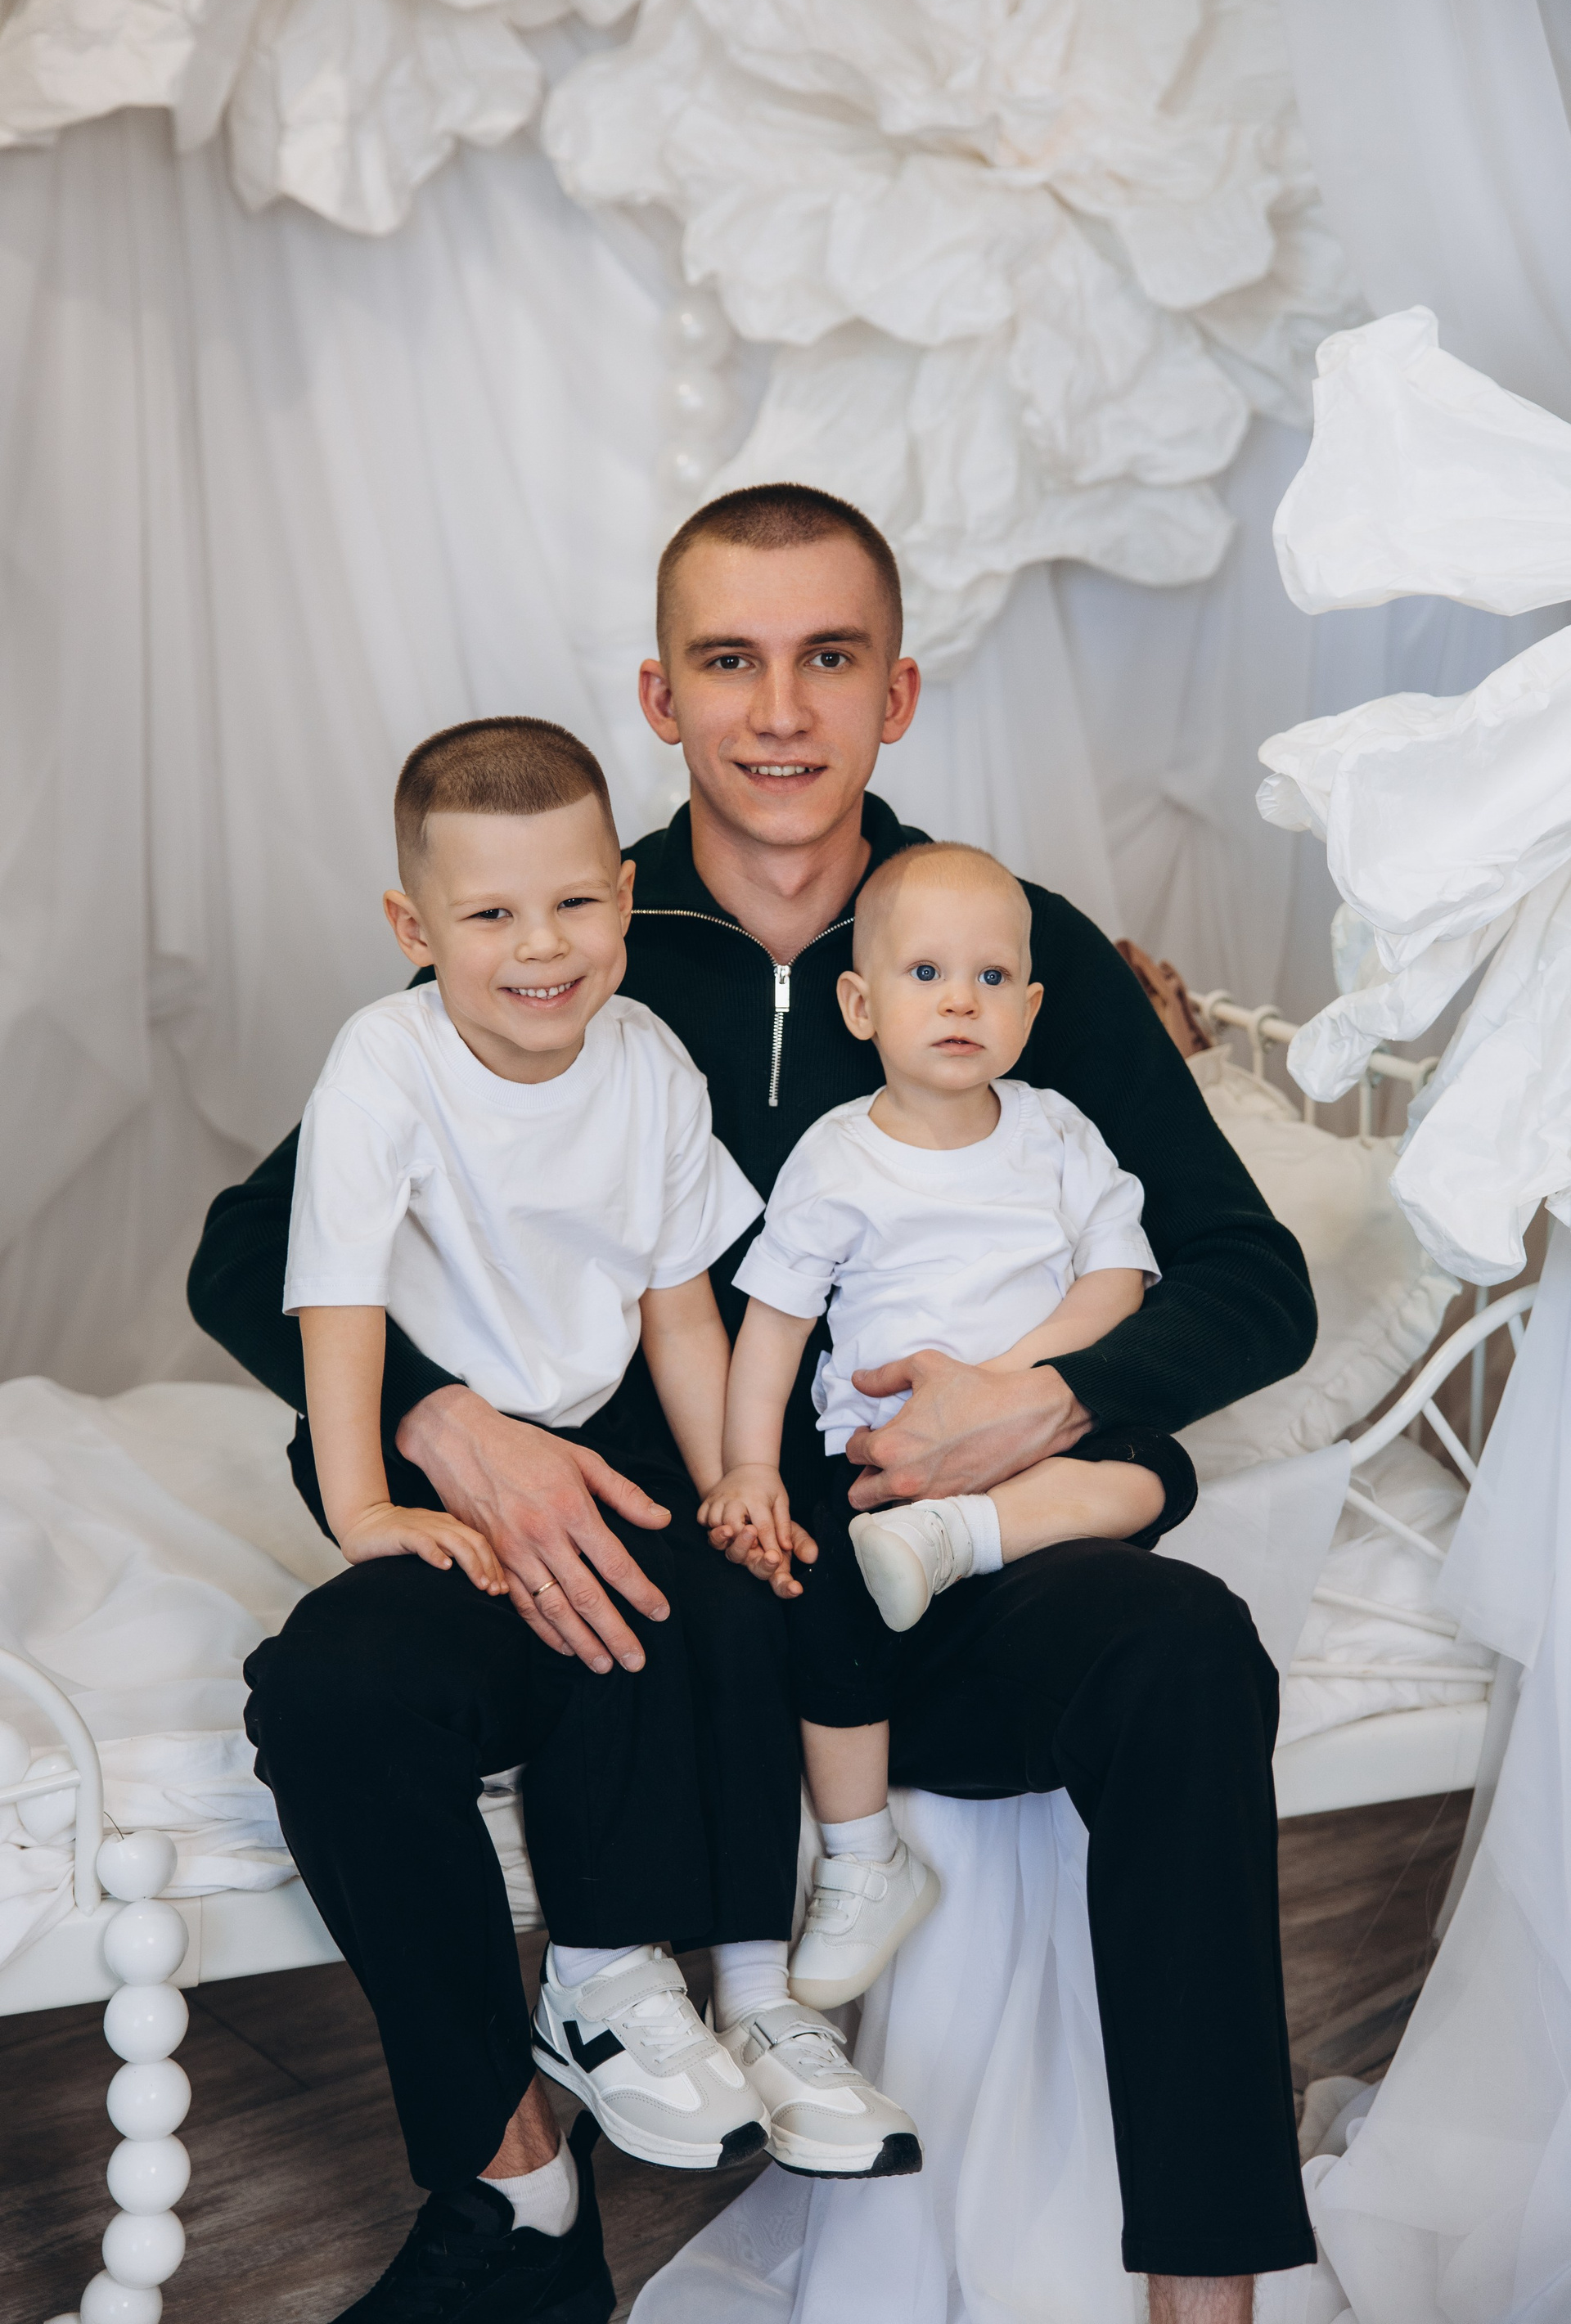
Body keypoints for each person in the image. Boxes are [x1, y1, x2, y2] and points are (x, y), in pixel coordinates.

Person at [190, 481, 1320, 2324]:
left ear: (900, 693)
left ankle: (1207, 2290)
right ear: (662, 697)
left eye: (830, 658)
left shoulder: (999, 938)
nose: (780, 711)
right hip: (636, 1566)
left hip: (920, 1559)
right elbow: (259, 1248)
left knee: (1187, 1657)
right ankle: (514, 2200)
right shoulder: (572, 928)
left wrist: (1041, 1403)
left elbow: (1250, 1278)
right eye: (730, 661)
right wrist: (445, 1420)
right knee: (334, 1690)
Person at [247, 714, 920, 2323]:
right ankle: (516, 2165)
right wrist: (363, 1502)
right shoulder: (385, 1061)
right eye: (489, 915)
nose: (540, 948)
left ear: (622, 897)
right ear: (415, 928)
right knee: (336, 1690)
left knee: (722, 1596)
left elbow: (681, 1311)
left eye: (570, 905)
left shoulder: (649, 1064)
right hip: (440, 1473)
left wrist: (734, 1481)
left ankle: (708, 1996)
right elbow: (335, 1296)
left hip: (615, 1446)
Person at [698, 838, 1199, 2012]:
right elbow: (771, 1330)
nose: (961, 1002)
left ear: (1029, 1009)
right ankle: (864, 1860)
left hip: (1036, 1447)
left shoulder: (1057, 1134)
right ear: (860, 1006)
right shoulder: (837, 1157)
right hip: (880, 1461)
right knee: (822, 1602)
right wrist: (747, 1468)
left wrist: (993, 1385)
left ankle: (959, 1540)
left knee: (1158, 1471)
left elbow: (1116, 1283)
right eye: (926, 974)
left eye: (991, 978)